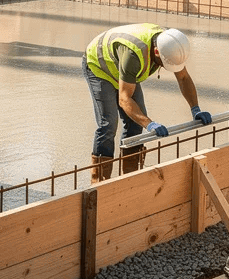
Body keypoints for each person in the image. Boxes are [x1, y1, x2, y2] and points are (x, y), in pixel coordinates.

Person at [83, 24, 210, 181]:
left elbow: (183, 77)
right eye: (164, 63)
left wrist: (195, 109)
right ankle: (99, 184)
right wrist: (150, 124)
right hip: (100, 66)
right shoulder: (134, 55)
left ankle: (129, 180)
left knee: (136, 124)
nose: (165, 67)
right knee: (108, 124)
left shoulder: (171, 44)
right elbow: (124, 99)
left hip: (124, 69)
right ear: (156, 52)